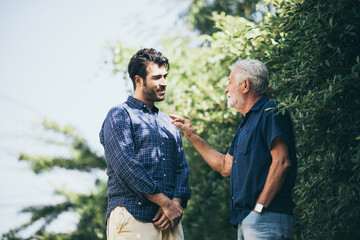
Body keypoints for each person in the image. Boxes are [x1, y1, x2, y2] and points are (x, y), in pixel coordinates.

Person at [170, 59, 297, 240]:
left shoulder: (271, 110)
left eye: (229, 82)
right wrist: (191, 135)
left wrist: (259, 208)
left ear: (245, 85)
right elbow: (225, 166)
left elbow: (282, 161)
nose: (226, 89)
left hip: (265, 217)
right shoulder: (244, 125)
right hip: (248, 221)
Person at [100, 48, 191, 240]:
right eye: (157, 77)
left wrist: (175, 204)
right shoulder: (119, 115)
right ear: (138, 80)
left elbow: (182, 168)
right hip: (133, 218)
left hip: (170, 221)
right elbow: (126, 165)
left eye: (165, 76)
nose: (164, 83)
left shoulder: (169, 122)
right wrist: (165, 203)